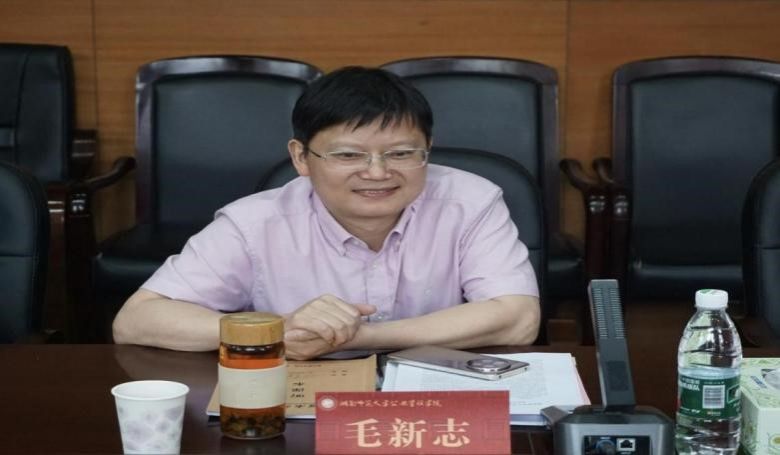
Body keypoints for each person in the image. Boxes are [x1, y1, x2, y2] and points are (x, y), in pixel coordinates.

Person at [112, 66, 540, 360]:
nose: (377, 173)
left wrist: (356, 338)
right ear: (301, 157)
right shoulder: (255, 224)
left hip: (434, 403)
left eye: (401, 153)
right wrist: (278, 330)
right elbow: (136, 320)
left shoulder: (471, 202)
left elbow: (518, 319)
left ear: (427, 149)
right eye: (349, 155)